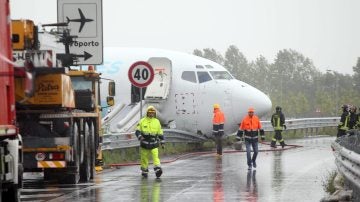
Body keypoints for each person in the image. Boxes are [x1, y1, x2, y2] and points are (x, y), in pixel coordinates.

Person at [135, 106, 164, 178]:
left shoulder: (157, 121)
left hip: (154, 143)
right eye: (150, 113)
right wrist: (140, 137)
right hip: (144, 144)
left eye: (152, 113)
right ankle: (144, 171)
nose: (151, 114)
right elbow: (137, 131)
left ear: (154, 113)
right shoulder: (142, 121)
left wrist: (162, 142)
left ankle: (158, 170)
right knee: (144, 158)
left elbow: (160, 133)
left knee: (155, 157)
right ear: (147, 113)